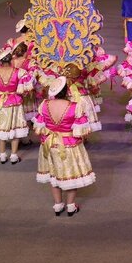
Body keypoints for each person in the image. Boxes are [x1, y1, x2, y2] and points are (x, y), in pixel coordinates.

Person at [34, 76, 96, 216]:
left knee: (54, 174)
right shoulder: (75, 106)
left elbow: (40, 127)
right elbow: (81, 131)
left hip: (50, 144)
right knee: (71, 175)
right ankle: (71, 206)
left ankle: (57, 204)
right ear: (67, 91)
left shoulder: (44, 104)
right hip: (69, 145)